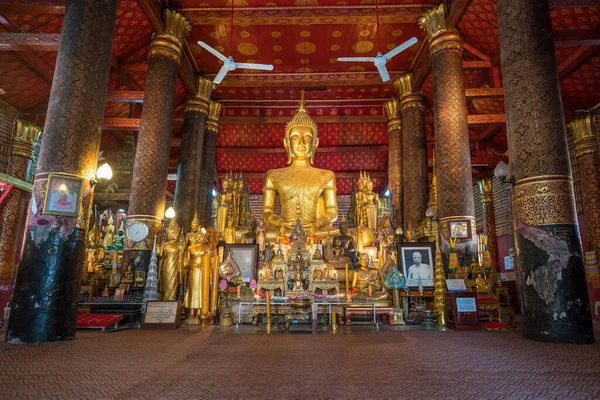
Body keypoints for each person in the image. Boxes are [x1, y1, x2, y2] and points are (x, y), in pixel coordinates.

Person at [262, 91, 338, 234]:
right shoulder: (273, 175)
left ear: (315, 143)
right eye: (296, 138)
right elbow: (267, 212)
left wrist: (317, 223)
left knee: (350, 235)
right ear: (286, 143)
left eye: (308, 138)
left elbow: (332, 212)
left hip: (314, 231)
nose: (302, 143)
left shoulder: (327, 175)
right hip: (285, 231)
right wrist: (280, 222)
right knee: (260, 235)